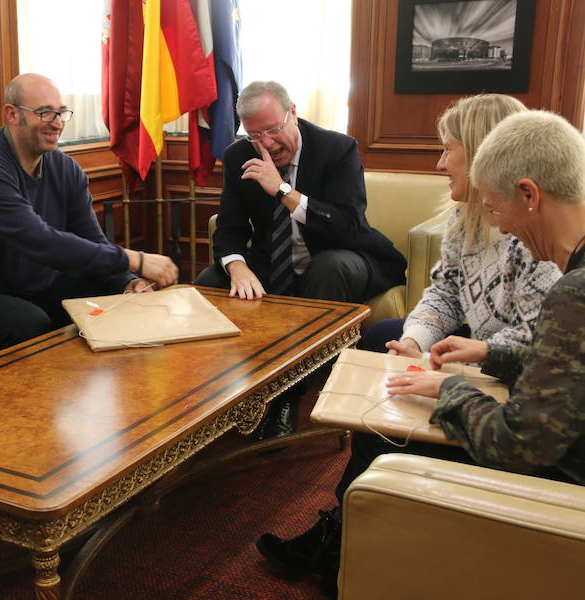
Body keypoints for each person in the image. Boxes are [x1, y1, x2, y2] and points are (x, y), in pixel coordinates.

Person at [256, 110, 585, 599]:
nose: (503, 231)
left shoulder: (572, 294)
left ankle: (357, 562)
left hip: (557, 484)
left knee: (387, 433)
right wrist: (489, 357)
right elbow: (561, 369)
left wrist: (452, 388)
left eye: (497, 211)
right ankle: (349, 551)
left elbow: (517, 447)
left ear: (529, 195)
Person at [195, 80, 406, 438]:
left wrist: (283, 191)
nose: (266, 143)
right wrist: (237, 266)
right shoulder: (237, 156)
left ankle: (288, 397)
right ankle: (222, 390)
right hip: (275, 260)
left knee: (328, 267)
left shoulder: (337, 148)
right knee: (209, 282)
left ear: (293, 113)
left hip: (348, 257)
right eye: (254, 134)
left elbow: (348, 227)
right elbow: (228, 226)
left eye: (274, 129)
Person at [0, 73, 178, 354]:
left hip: (34, 285)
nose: (56, 123)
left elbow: (92, 240)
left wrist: (129, 281)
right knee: (28, 324)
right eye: (44, 113)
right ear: (12, 115)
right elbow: (41, 242)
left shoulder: (66, 169)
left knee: (120, 300)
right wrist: (136, 259)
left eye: (60, 113)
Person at [359, 94, 560, 356]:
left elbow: (528, 349)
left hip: (511, 361)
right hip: (481, 346)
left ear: (482, 153)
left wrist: (441, 368)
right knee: (383, 334)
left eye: (448, 149)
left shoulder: (535, 237)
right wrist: (414, 342)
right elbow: (446, 293)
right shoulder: (463, 220)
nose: (440, 164)